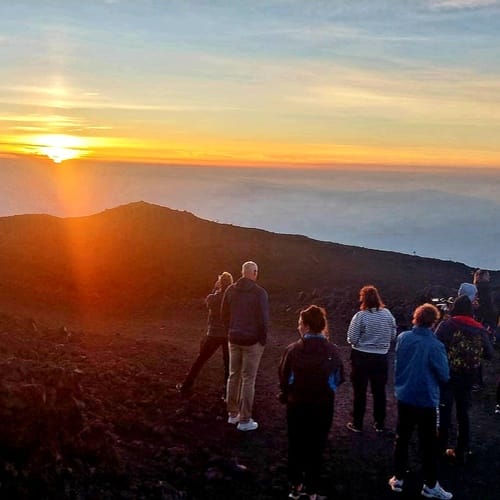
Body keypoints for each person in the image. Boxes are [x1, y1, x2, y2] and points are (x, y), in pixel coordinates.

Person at [278, 305, 344, 500]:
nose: (298, 327)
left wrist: (289, 393)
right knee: (317, 445)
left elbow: (285, 378)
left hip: (297, 405)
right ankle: (312, 488)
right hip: (323, 407)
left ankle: (295, 486)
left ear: (306, 326)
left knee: (296, 443)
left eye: (300, 324)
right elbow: (337, 379)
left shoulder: (292, 350)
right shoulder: (333, 351)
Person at [388, 303, 452, 500]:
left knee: (402, 438)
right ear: (433, 322)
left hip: (404, 395)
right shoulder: (435, 345)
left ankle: (398, 478)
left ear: (416, 318)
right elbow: (444, 374)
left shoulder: (403, 338)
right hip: (426, 400)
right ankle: (430, 485)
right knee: (428, 443)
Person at [435, 295, 494, 463]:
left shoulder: (447, 325)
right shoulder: (480, 329)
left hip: (448, 374)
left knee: (445, 410)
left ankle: (439, 448)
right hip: (469, 376)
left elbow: (435, 345)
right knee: (463, 413)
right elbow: (489, 354)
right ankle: (461, 450)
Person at [221, 261, 269, 432]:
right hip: (252, 342)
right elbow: (264, 319)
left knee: (233, 375)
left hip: (234, 339)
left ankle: (232, 414)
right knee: (248, 379)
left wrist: (230, 331)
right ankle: (245, 419)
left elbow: (224, 314)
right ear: (254, 272)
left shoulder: (230, 290)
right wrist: (262, 340)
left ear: (242, 272)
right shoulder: (259, 293)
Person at [346, 285, 397, 433]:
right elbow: (393, 335)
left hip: (361, 356)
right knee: (379, 391)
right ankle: (379, 423)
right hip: (381, 357)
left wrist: (359, 342)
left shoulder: (360, 316)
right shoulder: (387, 314)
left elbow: (352, 338)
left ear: (363, 298)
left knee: (360, 391)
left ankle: (357, 423)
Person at [176, 272, 234, 397]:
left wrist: (216, 287)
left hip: (213, 333)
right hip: (228, 334)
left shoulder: (212, 298)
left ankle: (187, 385)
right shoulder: (232, 300)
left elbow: (210, 301)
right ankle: (227, 392)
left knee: (200, 360)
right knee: (228, 364)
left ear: (220, 283)